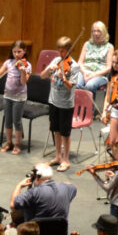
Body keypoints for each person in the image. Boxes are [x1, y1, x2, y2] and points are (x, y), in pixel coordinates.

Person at [40, 36, 78, 171]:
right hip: (53, 101)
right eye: (59, 51)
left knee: (65, 133)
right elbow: (42, 76)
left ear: (69, 50)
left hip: (66, 104)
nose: (60, 54)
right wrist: (49, 69)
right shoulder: (56, 60)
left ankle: (66, 160)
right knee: (55, 130)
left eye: (63, 51)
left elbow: (70, 87)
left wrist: (63, 77)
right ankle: (58, 156)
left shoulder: (74, 66)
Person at [0, 39, 31, 153]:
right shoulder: (8, 62)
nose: (16, 55)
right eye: (14, 52)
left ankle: (17, 144)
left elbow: (23, 82)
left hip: (19, 97)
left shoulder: (27, 65)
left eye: (19, 52)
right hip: (7, 95)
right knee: (7, 120)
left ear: (24, 51)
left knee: (17, 121)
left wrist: (23, 72)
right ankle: (9, 142)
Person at [10, 162, 77, 222]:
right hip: (59, 233)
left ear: (37, 178)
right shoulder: (65, 188)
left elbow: (13, 205)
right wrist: (62, 185)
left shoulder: (34, 193)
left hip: (35, 233)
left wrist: (19, 186)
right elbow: (74, 186)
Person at [76, 21, 114, 96]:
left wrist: (93, 75)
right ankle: (78, 107)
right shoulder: (87, 44)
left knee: (89, 86)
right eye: (93, 31)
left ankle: (90, 107)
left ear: (104, 32)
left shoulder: (109, 47)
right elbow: (80, 62)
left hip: (100, 75)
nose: (95, 33)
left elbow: (108, 67)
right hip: (85, 72)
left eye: (98, 31)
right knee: (77, 84)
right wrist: (84, 73)